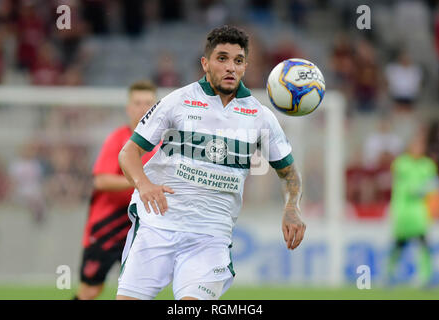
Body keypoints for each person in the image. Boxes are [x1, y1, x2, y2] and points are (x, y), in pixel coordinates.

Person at [116, 25, 306, 300]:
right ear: (205, 63)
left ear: (245, 66)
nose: (231, 67)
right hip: (158, 226)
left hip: (210, 237)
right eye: (222, 58)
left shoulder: (260, 116)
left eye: (238, 61)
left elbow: (289, 172)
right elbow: (128, 152)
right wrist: (143, 184)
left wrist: (292, 206)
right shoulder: (177, 101)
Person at [74, 80, 160, 300]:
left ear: (156, 107)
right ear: (128, 108)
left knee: (139, 290)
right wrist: (141, 182)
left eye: (148, 103)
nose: (142, 108)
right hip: (107, 226)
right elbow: (101, 181)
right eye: (137, 103)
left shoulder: (162, 143)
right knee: (90, 290)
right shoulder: (118, 139)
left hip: (141, 225)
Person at [386, 130, 438, 287]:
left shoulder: (428, 165)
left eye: (420, 145)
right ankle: (389, 276)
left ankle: (427, 277)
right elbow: (407, 186)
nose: (418, 148)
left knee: (424, 245)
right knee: (398, 245)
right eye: (415, 144)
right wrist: (421, 188)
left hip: (418, 213)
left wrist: (427, 188)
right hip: (402, 211)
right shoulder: (401, 163)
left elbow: (433, 186)